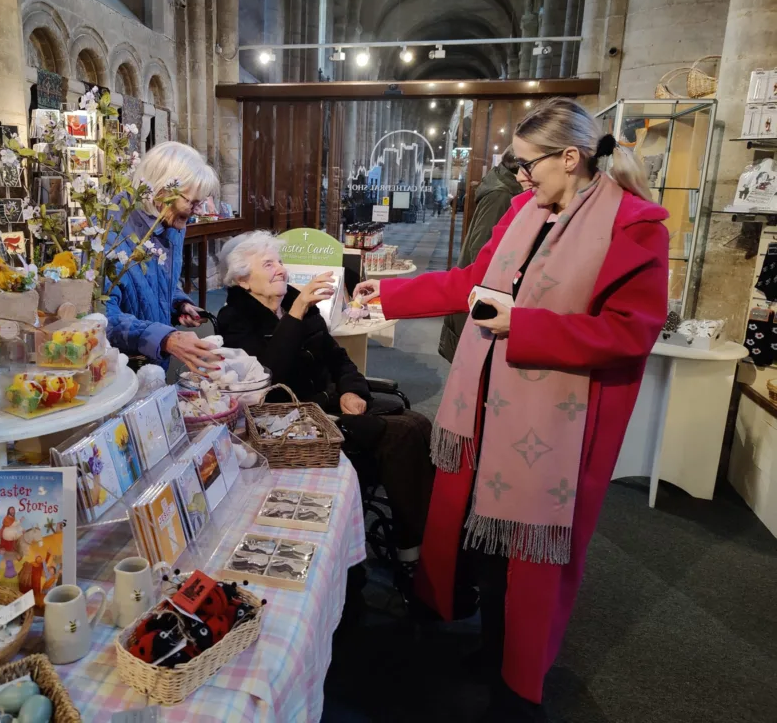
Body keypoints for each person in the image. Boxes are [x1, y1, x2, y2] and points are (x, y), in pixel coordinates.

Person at [354, 98, 668, 720]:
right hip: (487, 409)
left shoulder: (634, 226)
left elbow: (630, 332)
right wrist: (389, 294)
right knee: (487, 545)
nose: (520, 179)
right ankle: (494, 647)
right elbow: (473, 278)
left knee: (531, 556)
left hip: (556, 419)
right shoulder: (528, 210)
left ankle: (518, 683)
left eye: (528, 166)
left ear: (569, 158)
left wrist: (524, 325)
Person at [216, 231, 435, 573]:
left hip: (332, 405)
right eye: (268, 264)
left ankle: (422, 541)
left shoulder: (293, 301)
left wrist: (353, 391)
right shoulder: (236, 320)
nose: (280, 270)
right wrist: (297, 312)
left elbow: (339, 359)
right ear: (243, 280)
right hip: (292, 423)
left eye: (280, 262)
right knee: (402, 435)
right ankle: (414, 553)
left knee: (419, 424)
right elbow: (269, 378)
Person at [105, 141, 222, 375]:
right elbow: (103, 318)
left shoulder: (170, 224)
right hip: (118, 371)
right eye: (192, 202)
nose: (198, 211)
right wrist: (167, 338)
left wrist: (178, 303)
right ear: (161, 190)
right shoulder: (111, 233)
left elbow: (155, 284)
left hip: (154, 366)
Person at [439, 147, 523, 362]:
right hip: (486, 293)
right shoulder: (502, 194)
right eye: (525, 168)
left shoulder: (503, 188)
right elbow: (480, 249)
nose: (524, 177)